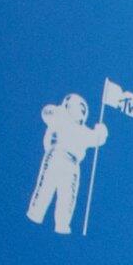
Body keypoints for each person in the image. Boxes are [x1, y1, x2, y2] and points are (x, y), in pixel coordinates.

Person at [25, 92, 108, 235]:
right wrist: (58, 111)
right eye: (79, 107)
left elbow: (96, 139)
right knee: (46, 187)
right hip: (56, 155)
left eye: (83, 109)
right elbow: (46, 112)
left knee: (68, 196)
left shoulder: (83, 131)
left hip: (72, 164)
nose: (81, 111)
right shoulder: (60, 118)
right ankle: (35, 214)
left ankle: (62, 225)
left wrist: (101, 131)